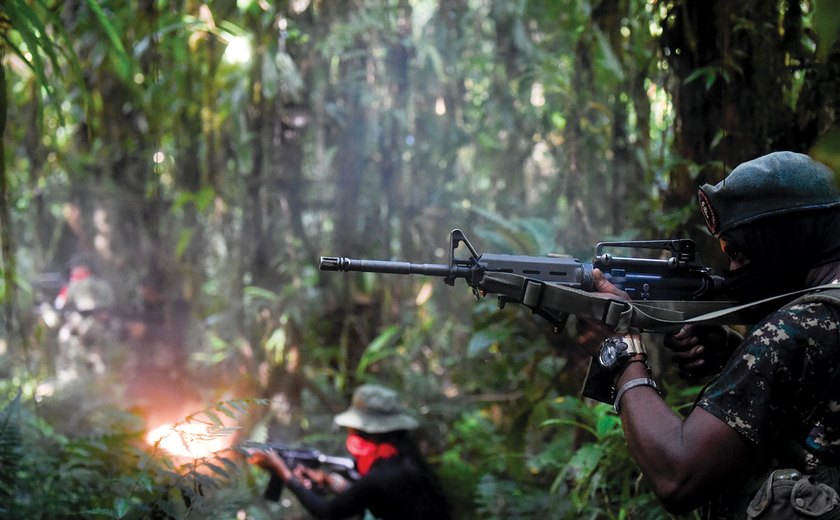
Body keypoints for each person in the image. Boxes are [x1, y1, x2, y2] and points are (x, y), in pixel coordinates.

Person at [582, 151, 840, 518]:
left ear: (783, 237)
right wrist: (736, 351)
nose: (732, 270)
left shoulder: (798, 326)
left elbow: (678, 475)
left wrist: (623, 349)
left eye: (738, 252)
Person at [249, 384, 452, 520]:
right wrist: (331, 481)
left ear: (365, 433)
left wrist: (284, 472)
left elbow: (329, 513)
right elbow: (377, 496)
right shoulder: (404, 461)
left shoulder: (382, 475)